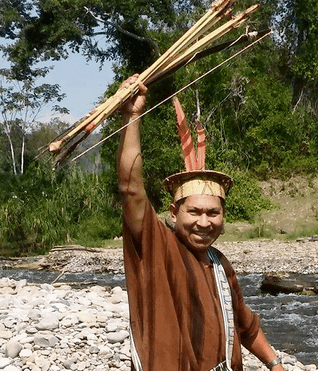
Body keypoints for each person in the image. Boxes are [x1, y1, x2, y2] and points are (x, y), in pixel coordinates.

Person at [117, 74, 285, 371]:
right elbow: (131, 188)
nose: (204, 222)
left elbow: (246, 325)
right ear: (173, 213)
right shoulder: (157, 246)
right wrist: (132, 117)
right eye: (194, 212)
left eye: (213, 213)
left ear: (223, 216)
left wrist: (275, 364)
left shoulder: (220, 264)